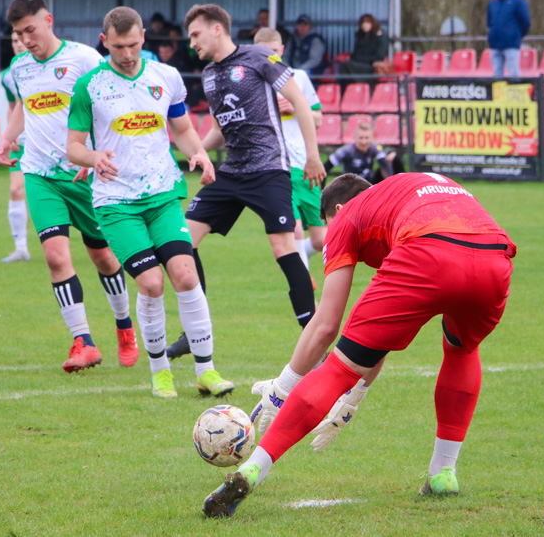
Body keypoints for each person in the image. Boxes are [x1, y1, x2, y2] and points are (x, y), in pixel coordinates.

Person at [202, 172, 517, 517]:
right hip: (494, 257)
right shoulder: (402, 195)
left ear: (338, 209)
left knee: (338, 367)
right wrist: (354, 398)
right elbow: (378, 338)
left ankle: (252, 470)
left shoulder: (348, 216)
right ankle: (444, 472)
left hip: (428, 249)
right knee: (462, 349)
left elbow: (325, 326)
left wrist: (282, 389)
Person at [67, 6, 235, 399]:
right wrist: (94, 158)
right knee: (152, 283)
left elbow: (183, 129)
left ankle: (206, 371)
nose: (127, 54)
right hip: (116, 203)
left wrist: (200, 154)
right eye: (119, 46)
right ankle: (160, 372)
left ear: (144, 36)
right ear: (105, 41)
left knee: (187, 275)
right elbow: (73, 147)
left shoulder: (166, 76)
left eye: (134, 44)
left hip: (162, 195)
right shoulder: (88, 86)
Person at [165, 4, 326, 359]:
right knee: (181, 243)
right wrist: (196, 153)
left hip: (269, 169)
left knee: (283, 248)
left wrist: (313, 156)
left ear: (217, 30)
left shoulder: (258, 57)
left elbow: (299, 102)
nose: (191, 43)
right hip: (232, 173)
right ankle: (195, 333)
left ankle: (315, 341)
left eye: (195, 35)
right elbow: (219, 130)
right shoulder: (208, 74)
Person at [0, 0, 137, 373]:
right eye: (19, 33)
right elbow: (24, 107)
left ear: (48, 20)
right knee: (56, 257)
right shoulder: (20, 67)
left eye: (30, 30)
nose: (26, 39)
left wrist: (93, 157)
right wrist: (8, 137)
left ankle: (125, 326)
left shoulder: (84, 59)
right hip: (39, 174)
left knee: (103, 257)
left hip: (82, 175)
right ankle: (83, 342)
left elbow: (107, 109)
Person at [254, 27, 325, 285]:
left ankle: (296, 258)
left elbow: (317, 119)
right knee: (293, 228)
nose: (269, 57)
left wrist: (297, 106)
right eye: (263, 53)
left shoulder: (300, 78)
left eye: (274, 52)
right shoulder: (254, 80)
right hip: (277, 167)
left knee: (320, 239)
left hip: (307, 165)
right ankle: (304, 282)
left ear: (282, 50)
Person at [0, 30, 30, 263]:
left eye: (20, 40)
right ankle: (21, 248)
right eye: (13, 41)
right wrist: (11, 133)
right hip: (24, 138)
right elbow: (14, 106)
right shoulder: (8, 74)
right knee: (15, 189)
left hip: (53, 140)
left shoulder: (50, 67)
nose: (18, 44)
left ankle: (106, 245)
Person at [487, 0, 530, 78]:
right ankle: (498, 95)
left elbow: (526, 22)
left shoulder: (518, 2)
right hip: (495, 46)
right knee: (497, 76)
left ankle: (514, 95)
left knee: (513, 75)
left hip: (511, 45)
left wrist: (517, 36)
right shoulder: (492, 3)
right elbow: (489, 22)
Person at [325, 123, 392, 183]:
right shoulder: (346, 150)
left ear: (371, 138)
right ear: (355, 138)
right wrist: (322, 189)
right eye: (361, 138)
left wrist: (390, 182)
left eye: (366, 138)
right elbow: (326, 167)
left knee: (392, 159)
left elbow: (385, 164)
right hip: (350, 185)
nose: (364, 142)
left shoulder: (374, 148)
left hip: (368, 183)